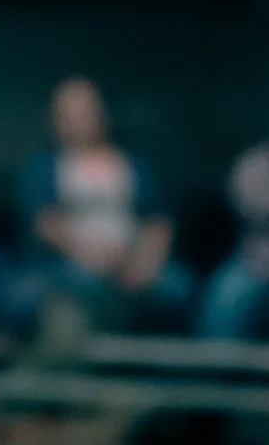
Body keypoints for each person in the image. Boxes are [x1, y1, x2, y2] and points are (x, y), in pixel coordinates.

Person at [18, 77, 190, 333]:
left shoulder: (135, 164)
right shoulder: (43, 167)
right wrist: (97, 256)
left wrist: (144, 262)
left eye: (86, 111)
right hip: (74, 264)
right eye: (69, 114)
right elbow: (46, 225)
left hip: (135, 261)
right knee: (82, 285)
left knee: (177, 287)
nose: (79, 120)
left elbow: (158, 221)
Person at [196, 140, 269, 339]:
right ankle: (214, 368)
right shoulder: (256, 162)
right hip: (257, 265)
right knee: (226, 297)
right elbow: (245, 203)